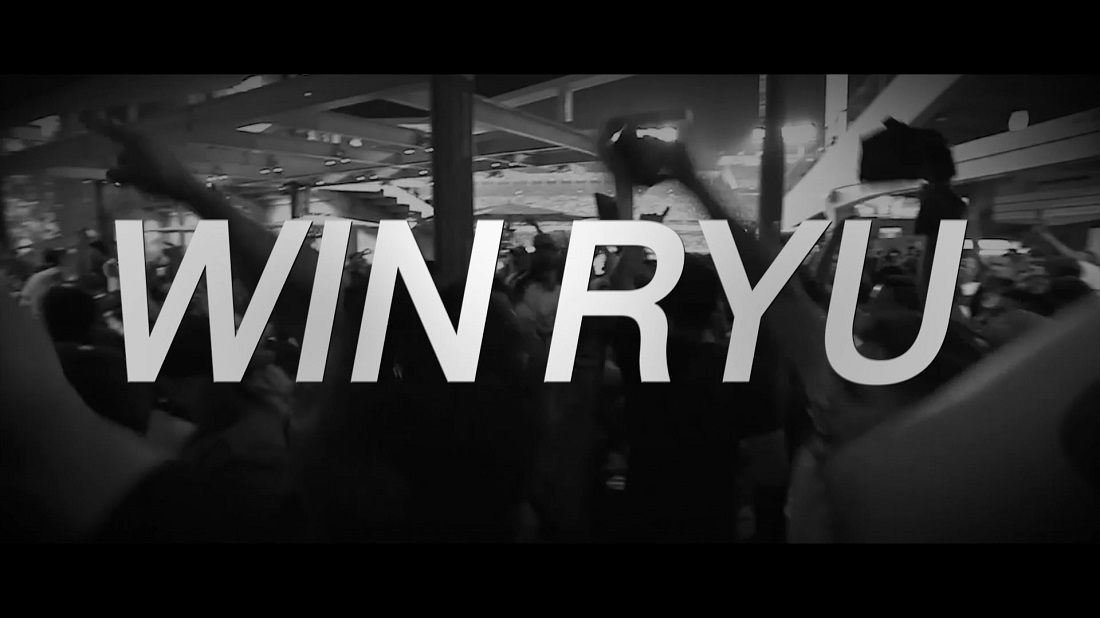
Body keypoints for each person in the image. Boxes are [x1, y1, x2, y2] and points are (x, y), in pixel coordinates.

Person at [20, 248, 68, 317]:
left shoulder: (41, 274)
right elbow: (57, 294)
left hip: (25, 307)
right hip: (33, 309)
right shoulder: (56, 271)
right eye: (65, 258)